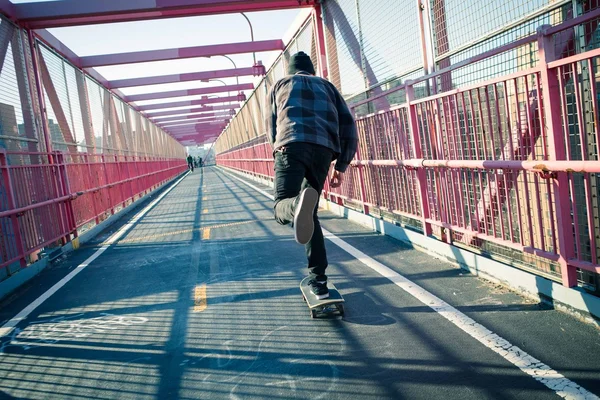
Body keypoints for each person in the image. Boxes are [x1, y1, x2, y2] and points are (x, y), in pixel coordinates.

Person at [265, 51, 357, 300]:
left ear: (292, 70)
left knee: (281, 207)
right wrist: (341, 165)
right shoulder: (328, 86)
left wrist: (277, 150)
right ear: (311, 70)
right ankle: (319, 280)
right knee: (311, 214)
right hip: (323, 150)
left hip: (291, 146)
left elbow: (271, 125)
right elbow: (349, 124)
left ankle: (295, 205)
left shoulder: (280, 85)